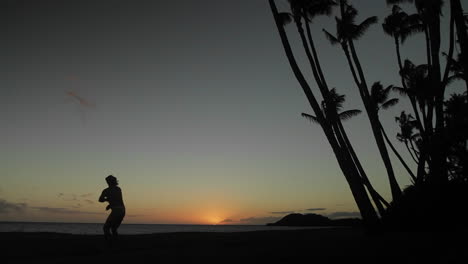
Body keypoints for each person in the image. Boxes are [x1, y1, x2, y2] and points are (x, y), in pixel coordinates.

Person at [99, 175, 125, 243]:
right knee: (114, 229)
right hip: (122, 210)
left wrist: (106, 200)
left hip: (117, 211)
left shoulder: (106, 191)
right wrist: (110, 205)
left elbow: (100, 199)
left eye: (108, 181)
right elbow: (118, 200)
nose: (107, 182)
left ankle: (109, 243)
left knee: (106, 228)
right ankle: (115, 242)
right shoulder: (118, 189)